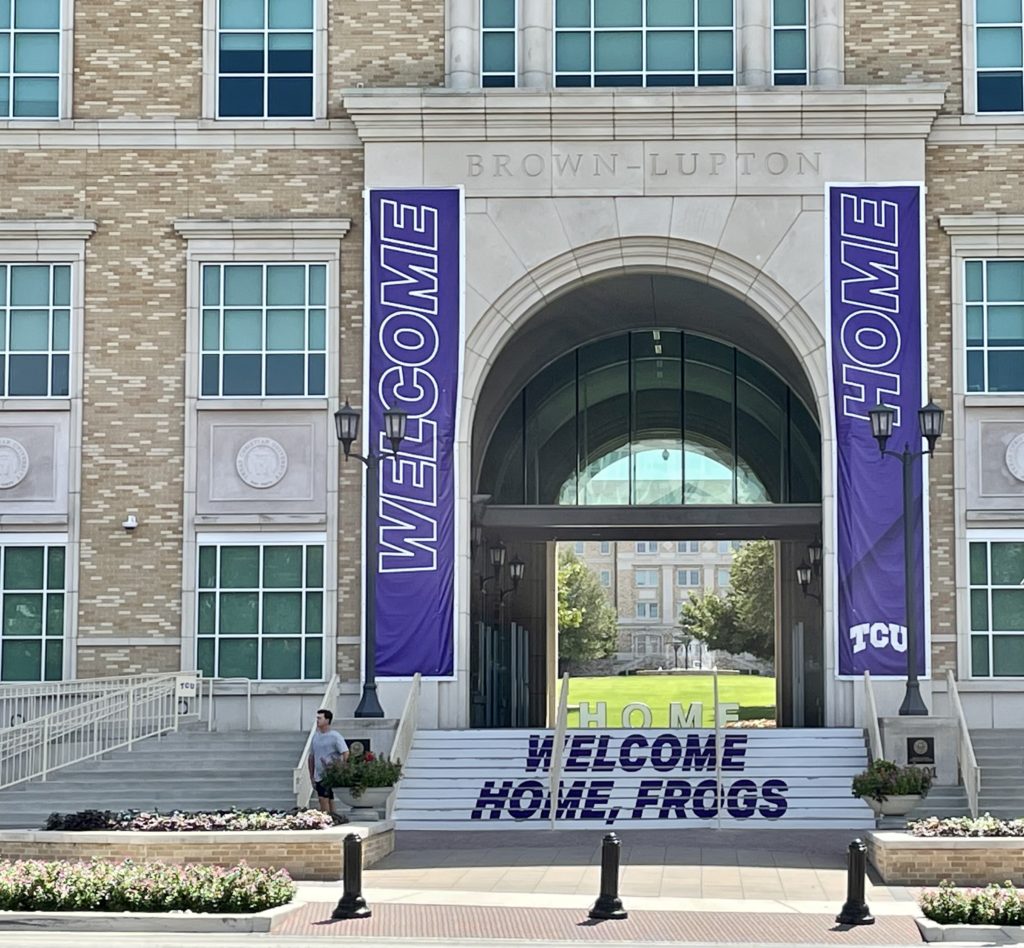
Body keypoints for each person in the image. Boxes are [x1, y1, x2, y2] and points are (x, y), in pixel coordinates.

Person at [308, 708, 349, 820]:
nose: (317, 720)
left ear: (327, 720)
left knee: (323, 799)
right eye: (317, 718)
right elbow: (311, 756)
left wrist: (341, 768)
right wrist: (311, 775)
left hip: (329, 774)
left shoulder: (335, 736)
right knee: (328, 799)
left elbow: (345, 752)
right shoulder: (315, 737)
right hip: (318, 774)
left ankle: (326, 820)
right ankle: (334, 819)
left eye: (320, 718)